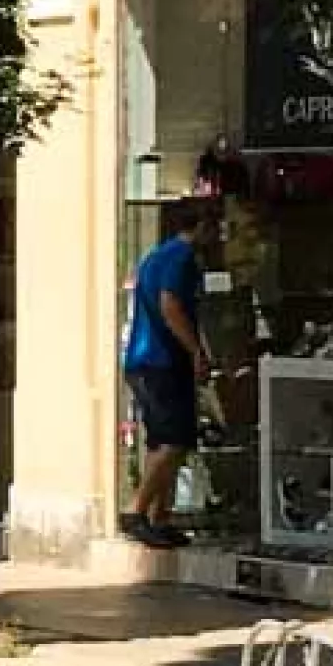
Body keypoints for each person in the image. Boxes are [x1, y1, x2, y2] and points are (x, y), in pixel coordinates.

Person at [122, 194, 221, 546]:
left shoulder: (157, 255)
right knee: (177, 439)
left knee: (161, 440)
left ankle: (158, 518)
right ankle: (136, 509)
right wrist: (197, 352)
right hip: (161, 362)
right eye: (215, 226)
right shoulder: (182, 259)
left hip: (145, 361)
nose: (218, 235)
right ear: (202, 226)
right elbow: (170, 305)